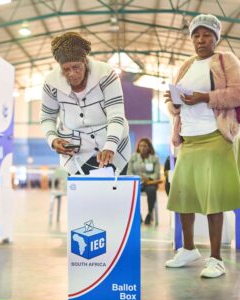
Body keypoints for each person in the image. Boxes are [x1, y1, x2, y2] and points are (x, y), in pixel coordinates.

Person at [164, 14, 240, 278]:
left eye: (206, 34)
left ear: (216, 37)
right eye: (196, 35)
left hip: (215, 137)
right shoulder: (186, 65)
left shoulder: (226, 60)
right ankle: (188, 249)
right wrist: (174, 102)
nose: (201, 40)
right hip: (188, 139)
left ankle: (216, 259)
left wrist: (206, 97)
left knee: (214, 199)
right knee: (182, 196)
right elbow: (172, 105)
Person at [40, 32, 130, 175]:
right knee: (80, 196)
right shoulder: (51, 83)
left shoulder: (106, 74)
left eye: (77, 67)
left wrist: (110, 146)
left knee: (112, 195)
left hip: (112, 149)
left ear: (85, 61)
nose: (72, 74)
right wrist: (53, 139)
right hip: (75, 155)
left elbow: (116, 114)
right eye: (66, 69)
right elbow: (47, 117)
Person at [127, 138, 160, 225]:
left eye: (145, 146)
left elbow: (156, 174)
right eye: (140, 146)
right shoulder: (133, 157)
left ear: (149, 147)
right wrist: (138, 178)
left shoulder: (154, 159)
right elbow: (129, 172)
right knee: (132, 191)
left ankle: (149, 214)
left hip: (149, 183)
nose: (142, 148)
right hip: (137, 183)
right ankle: (138, 215)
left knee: (151, 190)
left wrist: (147, 178)